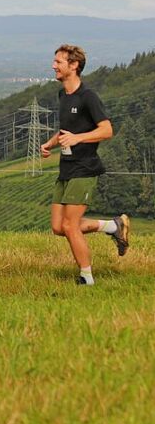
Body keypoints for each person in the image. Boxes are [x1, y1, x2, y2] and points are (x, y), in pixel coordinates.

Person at [40, 44, 130, 285]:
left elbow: (107, 130)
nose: (53, 66)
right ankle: (112, 226)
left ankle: (87, 278)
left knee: (70, 225)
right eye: (54, 61)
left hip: (85, 168)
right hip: (67, 167)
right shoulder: (63, 95)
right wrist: (50, 144)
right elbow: (66, 131)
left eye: (58, 62)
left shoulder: (88, 96)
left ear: (74, 65)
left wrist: (78, 138)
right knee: (58, 227)